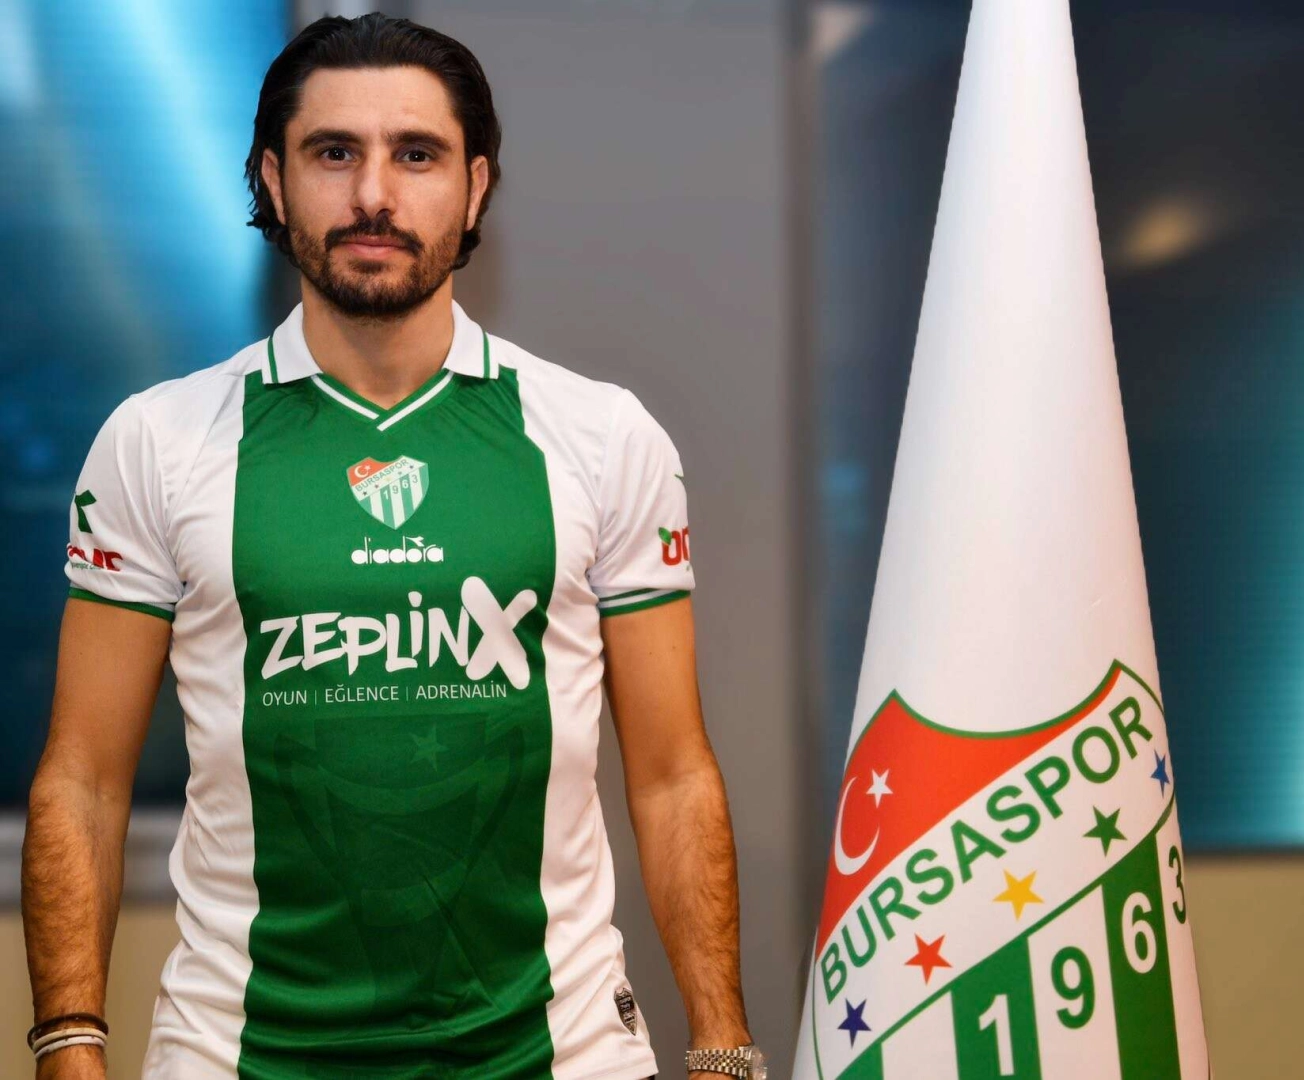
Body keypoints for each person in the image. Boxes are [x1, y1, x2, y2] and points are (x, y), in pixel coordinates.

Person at [22, 13, 763, 1080]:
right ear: (273, 182)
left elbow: (673, 775)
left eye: (416, 155)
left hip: (562, 1055)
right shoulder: (157, 441)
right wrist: (68, 1044)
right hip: (234, 1055)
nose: (374, 194)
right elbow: (84, 781)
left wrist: (724, 1050)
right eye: (335, 153)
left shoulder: (603, 436)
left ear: (476, 186)